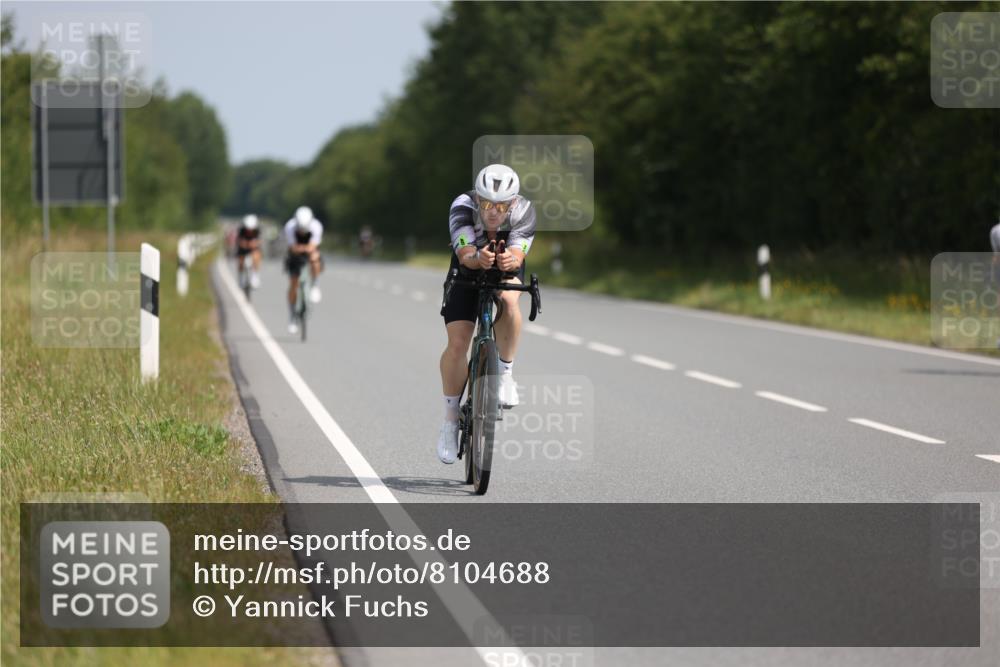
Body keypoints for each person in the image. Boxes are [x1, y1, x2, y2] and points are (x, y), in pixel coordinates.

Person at [436, 164, 536, 464]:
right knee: (457, 344)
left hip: (503, 267)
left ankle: (505, 373)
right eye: (487, 203)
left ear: (513, 202)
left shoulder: (525, 211)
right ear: (477, 199)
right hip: (468, 266)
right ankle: (450, 422)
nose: (494, 211)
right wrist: (477, 257)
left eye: (502, 205)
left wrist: (508, 260)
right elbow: (465, 253)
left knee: (509, 299)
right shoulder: (463, 206)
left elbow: (518, 255)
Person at [283, 206, 324, 334]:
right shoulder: (290, 227)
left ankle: (315, 285)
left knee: (315, 258)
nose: (302, 232)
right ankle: (292, 316)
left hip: (309, 252)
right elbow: (292, 247)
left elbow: (314, 246)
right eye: (300, 229)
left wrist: (306, 249)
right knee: (293, 284)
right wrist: (301, 248)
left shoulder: (316, 226)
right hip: (295, 255)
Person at [236, 214, 262, 289]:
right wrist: (242, 244)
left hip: (253, 248)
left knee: (256, 256)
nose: (249, 231)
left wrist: (255, 243)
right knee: (240, 260)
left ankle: (255, 275)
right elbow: (238, 240)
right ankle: (241, 277)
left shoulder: (257, 230)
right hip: (243, 248)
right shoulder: (241, 230)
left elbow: (260, 240)